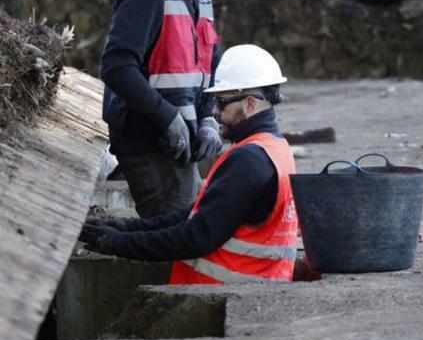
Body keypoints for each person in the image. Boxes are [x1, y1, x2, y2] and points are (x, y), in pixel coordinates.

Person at [81, 44, 299, 284]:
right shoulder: (276, 148)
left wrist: (116, 243)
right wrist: (127, 227)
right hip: (257, 287)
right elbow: (198, 215)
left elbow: (196, 236)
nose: (215, 112)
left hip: (225, 294)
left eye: (222, 102)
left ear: (250, 104)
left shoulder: (248, 161)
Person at [100, 0, 229, 218]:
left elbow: (208, 61)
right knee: (174, 232)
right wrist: (166, 116)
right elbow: (116, 66)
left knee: (192, 220)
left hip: (179, 137)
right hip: (147, 139)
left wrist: (209, 117)